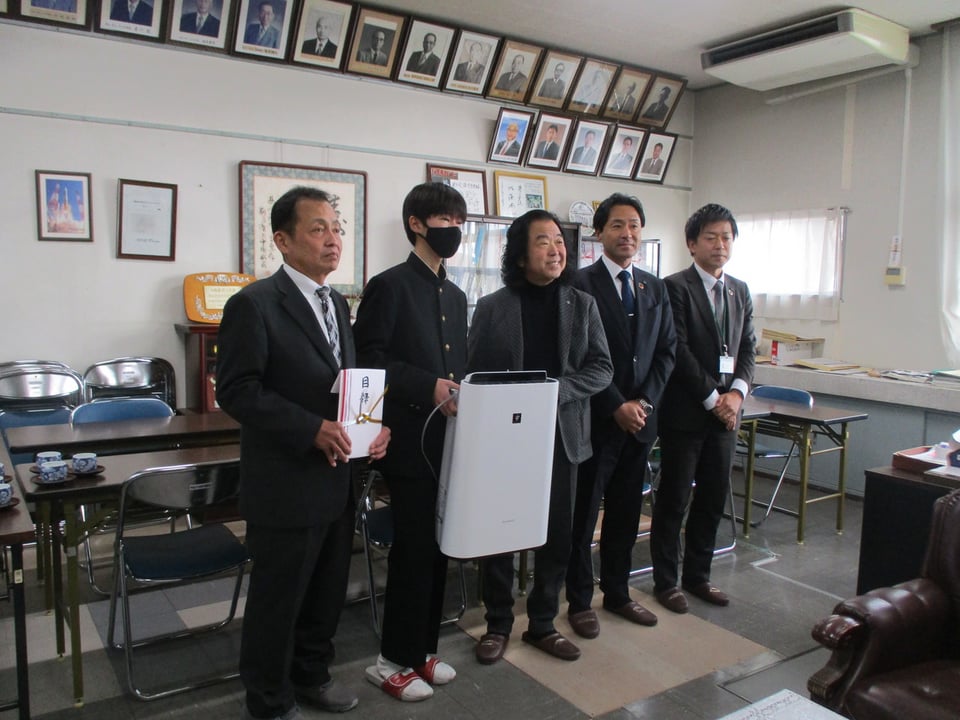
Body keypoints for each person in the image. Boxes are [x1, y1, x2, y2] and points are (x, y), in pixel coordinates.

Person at [217, 186, 391, 720]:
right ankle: (268, 700)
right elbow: (237, 390)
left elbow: (345, 382)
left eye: (337, 229)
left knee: (325, 591)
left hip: (336, 477)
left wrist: (371, 426)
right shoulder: (254, 304)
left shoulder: (336, 302)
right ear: (282, 240)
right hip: (285, 481)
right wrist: (310, 428)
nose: (333, 239)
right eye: (318, 229)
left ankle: (312, 676)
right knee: (279, 599)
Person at [469, 209, 613, 666]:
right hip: (505, 437)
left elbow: (602, 368)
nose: (555, 249)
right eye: (542, 241)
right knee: (499, 533)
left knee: (558, 534)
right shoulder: (493, 307)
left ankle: (543, 623)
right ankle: (497, 623)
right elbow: (472, 372)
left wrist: (554, 393)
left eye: (559, 241)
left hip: (562, 435)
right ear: (520, 253)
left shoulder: (582, 304)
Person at [353, 183, 469, 703]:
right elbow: (368, 361)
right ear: (416, 224)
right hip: (405, 440)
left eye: (459, 221)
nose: (454, 230)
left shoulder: (457, 295)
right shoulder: (389, 285)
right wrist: (428, 386)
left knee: (441, 544)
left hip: (450, 439)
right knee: (413, 547)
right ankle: (390, 660)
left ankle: (422, 649)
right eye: (445, 219)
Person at [565, 193, 676, 641]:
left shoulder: (654, 287)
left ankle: (617, 592)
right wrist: (616, 404)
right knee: (583, 515)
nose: (627, 233)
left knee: (627, 513)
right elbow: (576, 356)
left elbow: (666, 351)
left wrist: (644, 402)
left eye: (634, 225)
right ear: (599, 233)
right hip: (595, 420)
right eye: (617, 225)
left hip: (640, 423)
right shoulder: (579, 284)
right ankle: (578, 601)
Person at [650, 203, 756, 616]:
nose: (720, 245)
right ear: (692, 244)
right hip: (687, 413)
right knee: (674, 498)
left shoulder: (739, 290)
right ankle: (665, 581)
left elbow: (747, 349)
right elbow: (677, 349)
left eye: (726, 237)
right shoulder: (674, 287)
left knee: (712, 498)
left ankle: (698, 576)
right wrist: (714, 399)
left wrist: (737, 395)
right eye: (711, 237)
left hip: (727, 416)